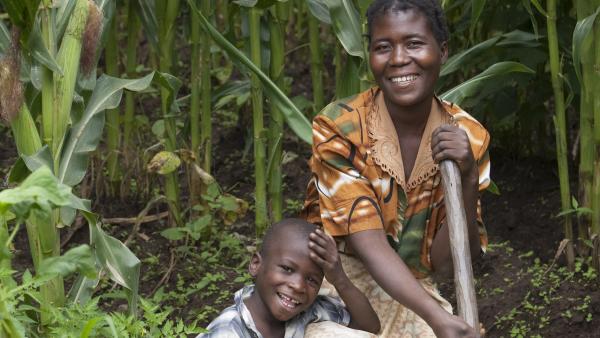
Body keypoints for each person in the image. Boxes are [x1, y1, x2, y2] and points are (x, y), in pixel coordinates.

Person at [301, 0, 491, 337]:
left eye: (414, 43)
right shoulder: (340, 127)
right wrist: (440, 319)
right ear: (370, 55)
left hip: (414, 290)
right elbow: (367, 244)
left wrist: (468, 178)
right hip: (336, 282)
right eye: (383, 47)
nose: (399, 59)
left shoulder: (468, 136)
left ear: (443, 51)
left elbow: (448, 263)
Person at [198, 218, 380, 338]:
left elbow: (368, 326)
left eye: (311, 280)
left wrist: (340, 278)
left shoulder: (308, 310)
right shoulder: (227, 331)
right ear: (256, 265)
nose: (299, 286)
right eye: (287, 268)